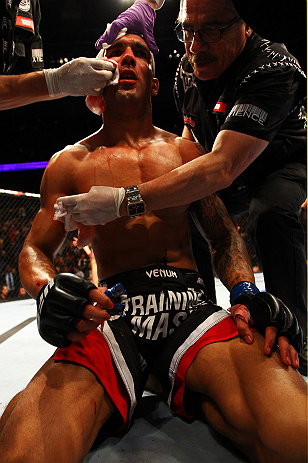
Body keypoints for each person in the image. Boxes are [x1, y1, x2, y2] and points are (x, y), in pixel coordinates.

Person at [0, 32, 306, 463]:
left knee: (293, 431)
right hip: (111, 313)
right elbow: (34, 249)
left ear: (156, 83)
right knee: (25, 453)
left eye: (140, 54)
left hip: (188, 306)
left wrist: (243, 292)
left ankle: (194, 388)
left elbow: (222, 237)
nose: (126, 58)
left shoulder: (185, 152)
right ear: (94, 81)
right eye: (115, 53)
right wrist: (47, 289)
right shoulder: (69, 163)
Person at [58, 0, 307, 374]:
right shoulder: (186, 72)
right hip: (220, 163)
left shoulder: (272, 68)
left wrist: (125, 200)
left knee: (270, 213)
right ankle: (201, 320)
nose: (195, 45)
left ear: (245, 26)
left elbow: (222, 167)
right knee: (184, 205)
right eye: (187, 31)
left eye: (210, 31)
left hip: (280, 164)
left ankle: (292, 337)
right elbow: (193, 137)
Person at [0, 0, 117, 110]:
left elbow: (31, 86)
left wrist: (60, 84)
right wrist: (56, 82)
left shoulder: (31, 4)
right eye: (118, 52)